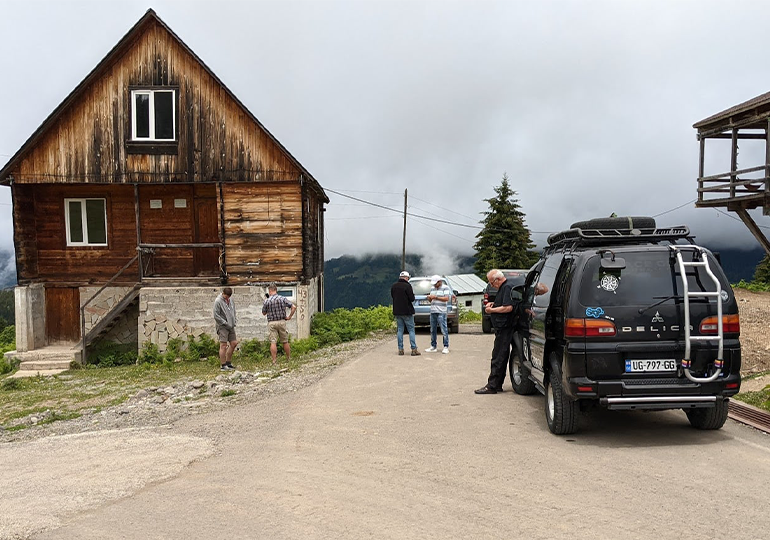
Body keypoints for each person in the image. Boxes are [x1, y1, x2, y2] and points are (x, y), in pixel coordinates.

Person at [475, 269, 518, 394]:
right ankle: (497, 384)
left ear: (497, 279)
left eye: (491, 282)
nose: (491, 285)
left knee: (498, 356)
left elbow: (508, 307)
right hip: (502, 326)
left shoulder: (507, 287)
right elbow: (504, 303)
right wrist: (494, 304)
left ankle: (492, 386)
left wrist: (491, 311)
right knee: (500, 355)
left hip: (505, 327)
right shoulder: (504, 287)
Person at [262, 284, 297, 364]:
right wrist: (289, 316)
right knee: (285, 341)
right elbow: (293, 307)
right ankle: (288, 358)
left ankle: (274, 360)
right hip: (281, 321)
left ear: (270, 291)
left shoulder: (267, 301)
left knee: (273, 341)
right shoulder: (282, 298)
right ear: (276, 290)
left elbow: (264, 313)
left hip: (272, 323)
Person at [390, 270, 421, 356]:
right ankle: (414, 349)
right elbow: (412, 299)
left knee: (400, 330)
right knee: (411, 330)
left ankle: (400, 349)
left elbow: (392, 296)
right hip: (407, 311)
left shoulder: (394, 286)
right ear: (406, 278)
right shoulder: (407, 286)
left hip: (397, 311)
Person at [213, 287, 239, 371]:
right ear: (223, 293)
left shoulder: (231, 300)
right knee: (223, 345)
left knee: (234, 343)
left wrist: (234, 320)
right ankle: (223, 365)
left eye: (229, 297)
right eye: (226, 297)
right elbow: (216, 315)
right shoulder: (218, 301)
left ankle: (228, 362)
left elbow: (233, 311)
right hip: (222, 326)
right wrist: (224, 322)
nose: (227, 298)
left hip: (231, 325)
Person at [425, 275, 451, 354]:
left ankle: (446, 346)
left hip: (441, 311)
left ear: (439, 282)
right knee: (433, 329)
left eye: (436, 283)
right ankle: (433, 346)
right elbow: (431, 300)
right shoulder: (432, 288)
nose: (435, 285)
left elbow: (446, 298)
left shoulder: (445, 288)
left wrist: (435, 297)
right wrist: (429, 298)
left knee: (443, 329)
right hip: (433, 310)